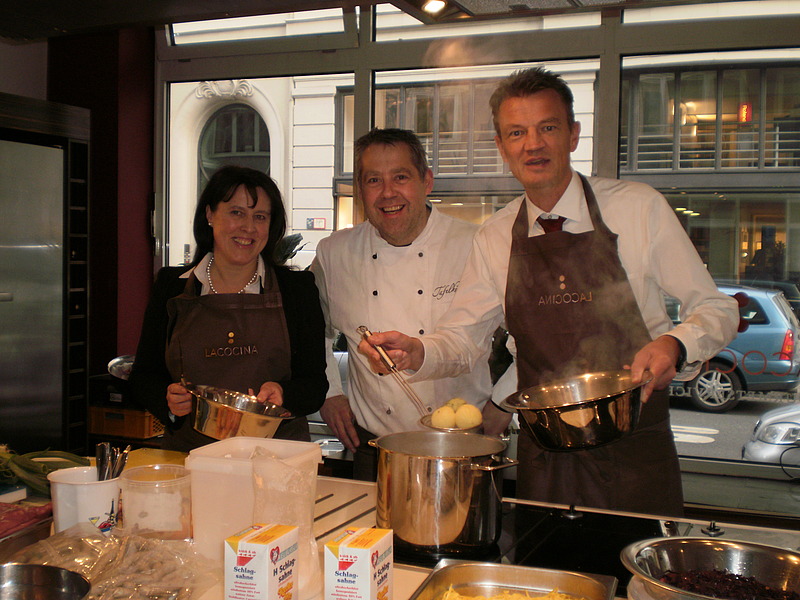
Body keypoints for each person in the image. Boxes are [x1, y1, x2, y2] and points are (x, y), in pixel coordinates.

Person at [359, 68, 740, 516]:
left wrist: (676, 343)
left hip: (634, 447)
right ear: (501, 147)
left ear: (573, 135)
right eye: (516, 133)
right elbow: (464, 339)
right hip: (546, 452)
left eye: (548, 128)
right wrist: (418, 352)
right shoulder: (496, 236)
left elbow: (716, 308)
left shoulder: (637, 208)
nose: (533, 144)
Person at [309, 127, 500, 481]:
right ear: (360, 189)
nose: (388, 193)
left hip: (461, 444)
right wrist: (329, 392)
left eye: (400, 177)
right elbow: (310, 328)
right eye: (374, 180)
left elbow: (527, 335)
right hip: (375, 447)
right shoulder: (334, 252)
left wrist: (503, 402)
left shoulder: (476, 244)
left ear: (426, 181)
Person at [129, 165, 328, 451]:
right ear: (210, 214)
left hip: (276, 458)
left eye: (260, 216)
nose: (248, 227)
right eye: (236, 212)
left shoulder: (297, 290)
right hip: (191, 456)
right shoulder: (171, 287)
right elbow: (144, 375)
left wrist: (284, 393)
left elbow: (315, 384)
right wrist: (167, 398)